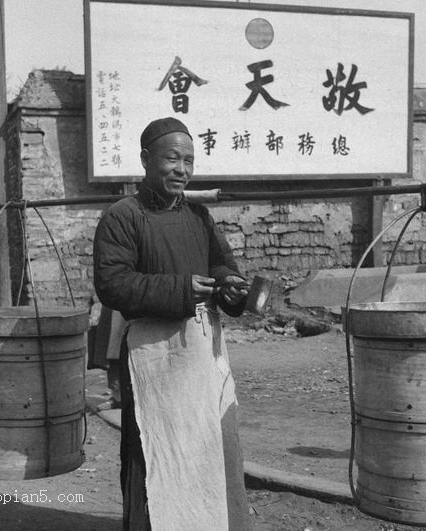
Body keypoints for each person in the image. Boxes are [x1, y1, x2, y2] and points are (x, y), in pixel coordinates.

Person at [93, 117, 252, 530]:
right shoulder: (123, 216)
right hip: (153, 356)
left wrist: (229, 284)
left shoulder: (198, 215)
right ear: (146, 160)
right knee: (155, 449)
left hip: (201, 352)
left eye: (189, 161)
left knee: (205, 445)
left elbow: (220, 262)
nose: (182, 169)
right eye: (172, 159)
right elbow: (113, 284)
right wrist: (182, 289)